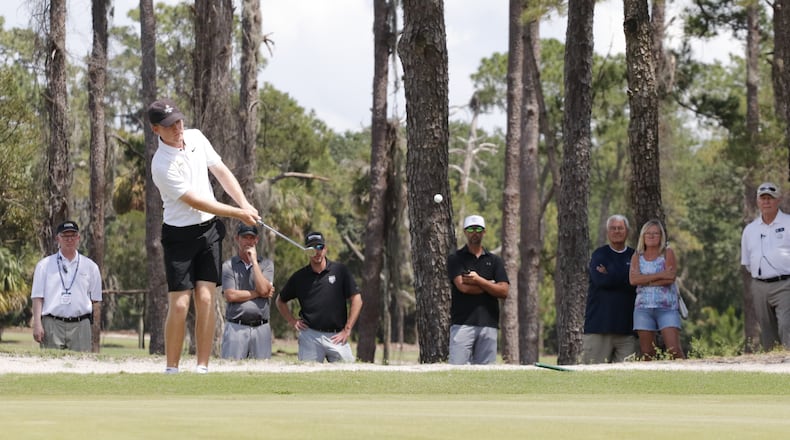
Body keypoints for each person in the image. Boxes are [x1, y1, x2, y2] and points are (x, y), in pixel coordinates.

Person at [148, 98, 260, 374]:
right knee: (180, 304)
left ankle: (202, 367)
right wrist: (238, 213)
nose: (177, 128)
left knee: (207, 299)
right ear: (155, 129)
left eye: (178, 121)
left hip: (208, 230)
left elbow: (221, 171)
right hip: (178, 235)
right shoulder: (160, 165)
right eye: (169, 125)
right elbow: (196, 201)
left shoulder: (196, 137)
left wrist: (244, 203)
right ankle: (172, 369)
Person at [275, 232, 362, 362]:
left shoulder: (340, 271)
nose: (317, 252)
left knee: (348, 371)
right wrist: (292, 321)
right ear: (307, 251)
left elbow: (357, 300)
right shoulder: (299, 277)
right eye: (312, 248)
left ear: (325, 248)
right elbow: (280, 301)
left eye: (320, 247)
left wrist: (347, 329)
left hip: (337, 336)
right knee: (307, 373)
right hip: (310, 336)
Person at [446, 215, 509, 365]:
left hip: (488, 325)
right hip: (462, 324)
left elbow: (504, 292)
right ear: (465, 232)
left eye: (478, 229)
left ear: (484, 232)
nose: (475, 232)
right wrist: (491, 285)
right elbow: (463, 287)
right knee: (457, 371)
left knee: (486, 374)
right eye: (471, 229)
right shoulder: (455, 258)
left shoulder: (495, 261)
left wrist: (478, 280)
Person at [30, 220, 102, 352]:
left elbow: (95, 299)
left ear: (78, 238)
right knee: (50, 363)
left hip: (80, 325)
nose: (69, 239)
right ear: (58, 239)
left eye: (73, 235)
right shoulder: (44, 265)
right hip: (52, 324)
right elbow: (37, 297)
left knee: (81, 363)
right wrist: (37, 324)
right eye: (65, 236)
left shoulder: (91, 267)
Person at [582, 214, 639, 364]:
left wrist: (610, 274)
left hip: (627, 330)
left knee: (627, 375)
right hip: (599, 328)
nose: (617, 231)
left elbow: (637, 283)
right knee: (593, 374)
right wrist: (627, 277)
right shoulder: (599, 255)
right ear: (608, 232)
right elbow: (601, 281)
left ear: (627, 231)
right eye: (613, 228)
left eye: (620, 228)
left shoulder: (634, 256)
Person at [741, 182, 790, 351]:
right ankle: (773, 363)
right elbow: (747, 262)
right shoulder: (750, 230)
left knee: (786, 325)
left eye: (770, 198)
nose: (766, 202)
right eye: (763, 198)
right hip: (760, 286)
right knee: (767, 331)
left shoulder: (788, 223)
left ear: (778, 200)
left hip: (785, 284)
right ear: (758, 201)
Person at [629, 219, 685, 360]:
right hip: (643, 308)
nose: (652, 236)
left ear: (661, 236)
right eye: (648, 233)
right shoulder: (637, 256)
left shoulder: (667, 253)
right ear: (643, 236)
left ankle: (686, 372)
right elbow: (633, 280)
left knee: (674, 349)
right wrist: (660, 275)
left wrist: (645, 280)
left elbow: (670, 278)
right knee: (647, 352)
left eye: (655, 233)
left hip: (667, 308)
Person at [221, 224, 275, 360]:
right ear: (237, 239)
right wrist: (258, 293)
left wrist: (254, 262)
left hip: (261, 328)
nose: (248, 241)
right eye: (245, 237)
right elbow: (231, 295)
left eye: (252, 238)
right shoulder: (228, 265)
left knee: (262, 370)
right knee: (231, 368)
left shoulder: (267, 264)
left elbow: (264, 289)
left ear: (256, 240)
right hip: (236, 327)